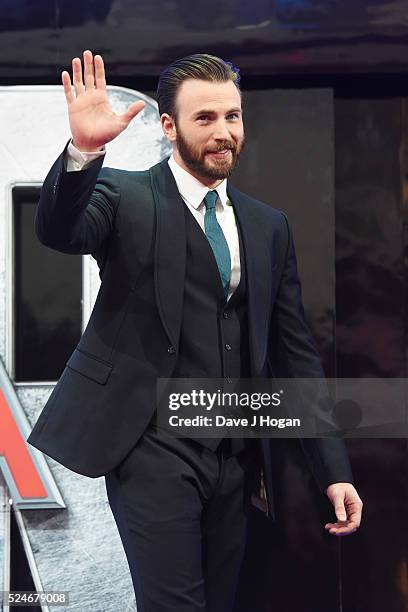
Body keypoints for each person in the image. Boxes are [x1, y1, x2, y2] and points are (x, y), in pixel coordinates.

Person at [27, 50, 363, 612]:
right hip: (150, 446)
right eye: (205, 118)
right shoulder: (123, 195)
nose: (224, 132)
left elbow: (295, 353)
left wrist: (333, 470)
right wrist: (85, 150)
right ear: (168, 126)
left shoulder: (267, 225)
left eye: (232, 116)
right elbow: (59, 231)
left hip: (234, 455)